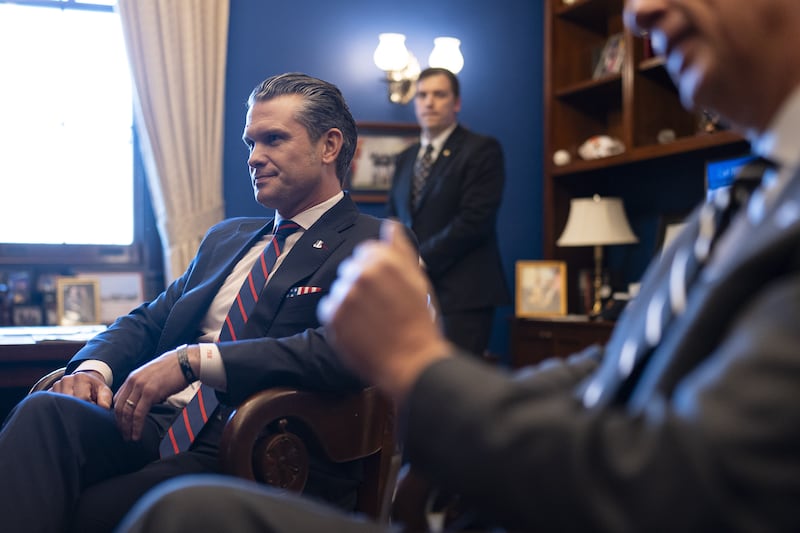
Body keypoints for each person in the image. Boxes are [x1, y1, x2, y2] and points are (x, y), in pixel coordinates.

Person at [115, 0, 800, 531]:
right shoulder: (729, 210)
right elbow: (609, 364)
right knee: (188, 510)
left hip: (466, 304)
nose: (638, 13)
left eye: (273, 138)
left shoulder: (478, 155)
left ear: (329, 147)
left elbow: (688, 489)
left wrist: (418, 361)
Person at [0, 72, 388, 533]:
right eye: (250, 143)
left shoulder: (376, 243)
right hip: (154, 422)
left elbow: (341, 349)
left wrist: (193, 361)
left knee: (93, 509)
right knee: (44, 413)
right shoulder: (228, 237)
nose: (254, 158)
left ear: (329, 146)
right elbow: (147, 320)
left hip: (255, 440)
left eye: (273, 140)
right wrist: (91, 369)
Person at [386, 67, 509, 356]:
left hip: (464, 295)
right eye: (422, 95)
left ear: (456, 103)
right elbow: (394, 217)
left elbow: (474, 220)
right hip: (413, 294)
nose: (429, 102)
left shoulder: (482, 149)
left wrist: (418, 259)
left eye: (439, 95)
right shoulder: (405, 158)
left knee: (454, 392)